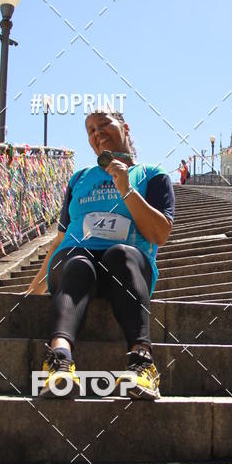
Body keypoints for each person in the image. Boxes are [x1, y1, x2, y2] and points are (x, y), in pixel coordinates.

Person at [27, 110, 175, 400]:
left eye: (104, 124)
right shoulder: (79, 179)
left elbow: (160, 234)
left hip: (126, 268)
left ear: (125, 126)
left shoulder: (153, 176)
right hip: (75, 264)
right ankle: (59, 360)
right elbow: (59, 240)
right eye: (90, 129)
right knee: (78, 261)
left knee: (121, 254)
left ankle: (141, 363)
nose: (97, 133)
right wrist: (33, 289)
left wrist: (126, 189)